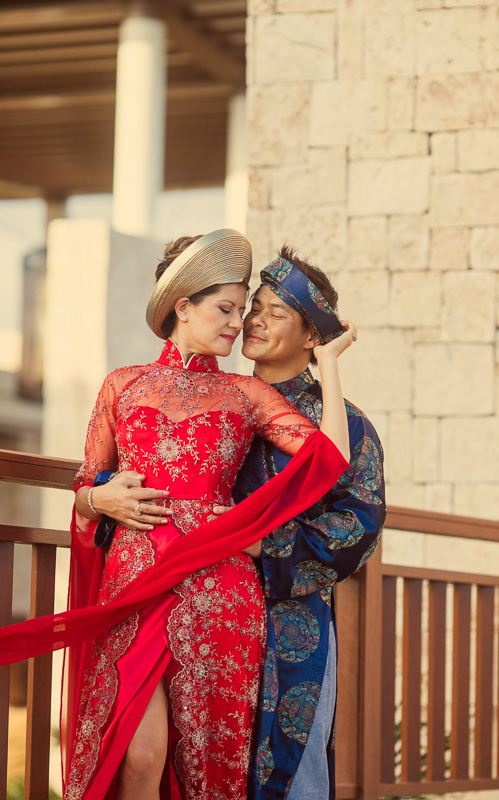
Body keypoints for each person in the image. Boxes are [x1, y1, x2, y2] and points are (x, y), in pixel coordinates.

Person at [0, 230, 357, 800]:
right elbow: (84, 485)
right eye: (227, 308)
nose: (238, 324)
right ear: (182, 306)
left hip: (219, 589)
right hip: (137, 584)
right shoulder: (122, 384)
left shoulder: (246, 393)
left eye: (243, 312)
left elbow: (330, 460)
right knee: (139, 758)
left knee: (206, 767)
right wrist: (100, 498)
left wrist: (329, 362)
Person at [230, 246, 385, 800]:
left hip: (291, 621)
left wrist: (260, 543)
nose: (254, 320)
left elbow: (358, 523)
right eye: (255, 306)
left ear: (312, 338)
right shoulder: (218, 407)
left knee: (290, 772)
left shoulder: (345, 423)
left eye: (276, 314)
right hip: (204, 606)